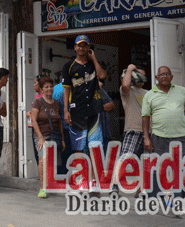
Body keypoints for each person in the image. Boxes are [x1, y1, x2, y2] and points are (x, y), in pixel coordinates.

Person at [62, 35, 107, 193]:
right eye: (79, 46)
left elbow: (102, 76)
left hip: (93, 111)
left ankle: (94, 181)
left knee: (95, 147)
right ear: (75, 47)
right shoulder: (69, 66)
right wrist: (66, 110)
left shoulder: (93, 65)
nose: (82, 48)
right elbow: (66, 89)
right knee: (79, 149)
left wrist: (94, 59)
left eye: (85, 46)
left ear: (89, 48)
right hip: (77, 112)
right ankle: (81, 180)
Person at [142, 66, 185, 198]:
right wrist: (146, 138)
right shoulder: (149, 94)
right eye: (161, 74)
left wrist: (181, 117)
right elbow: (145, 117)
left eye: (167, 74)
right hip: (160, 136)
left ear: (172, 77)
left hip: (182, 135)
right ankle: (164, 196)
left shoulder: (181, 91)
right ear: (156, 78)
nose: (164, 76)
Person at [114, 64, 147, 195]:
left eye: (142, 75)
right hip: (133, 129)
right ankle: (115, 185)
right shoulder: (128, 91)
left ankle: (141, 190)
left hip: (148, 132)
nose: (140, 78)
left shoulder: (149, 93)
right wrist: (129, 69)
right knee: (126, 156)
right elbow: (126, 85)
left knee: (145, 162)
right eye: (137, 74)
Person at [31, 77, 65, 198]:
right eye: (46, 87)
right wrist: (40, 137)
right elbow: (33, 120)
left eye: (50, 86)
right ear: (41, 89)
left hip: (55, 136)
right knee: (43, 160)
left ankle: (50, 183)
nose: (49, 89)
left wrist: (62, 139)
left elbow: (59, 121)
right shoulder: (38, 102)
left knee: (52, 162)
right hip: (42, 136)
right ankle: (42, 188)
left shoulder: (56, 103)